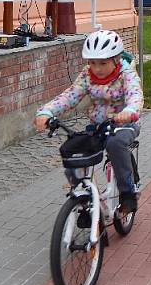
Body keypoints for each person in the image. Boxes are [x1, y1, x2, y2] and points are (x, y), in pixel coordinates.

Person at [35, 29, 143, 212]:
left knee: (115, 145)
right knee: (72, 149)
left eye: (103, 63)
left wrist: (130, 110)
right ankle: (83, 193)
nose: (97, 68)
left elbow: (135, 95)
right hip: (98, 125)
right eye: (92, 63)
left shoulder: (126, 74)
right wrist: (46, 111)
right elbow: (70, 96)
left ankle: (128, 193)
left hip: (124, 124)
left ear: (116, 59)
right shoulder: (87, 75)